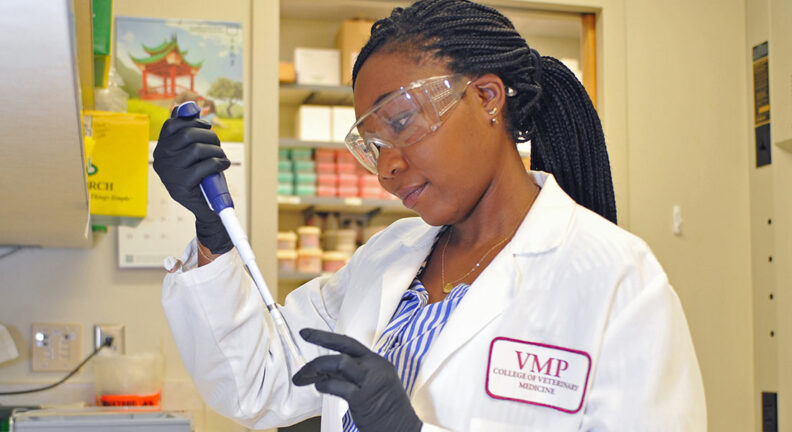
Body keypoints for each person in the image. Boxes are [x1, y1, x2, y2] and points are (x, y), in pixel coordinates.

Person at [153, 0, 706, 430]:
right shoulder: (388, 260)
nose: (387, 167)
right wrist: (210, 230)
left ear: (488, 97)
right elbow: (260, 380)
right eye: (371, 144)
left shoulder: (617, 279)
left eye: (400, 122)